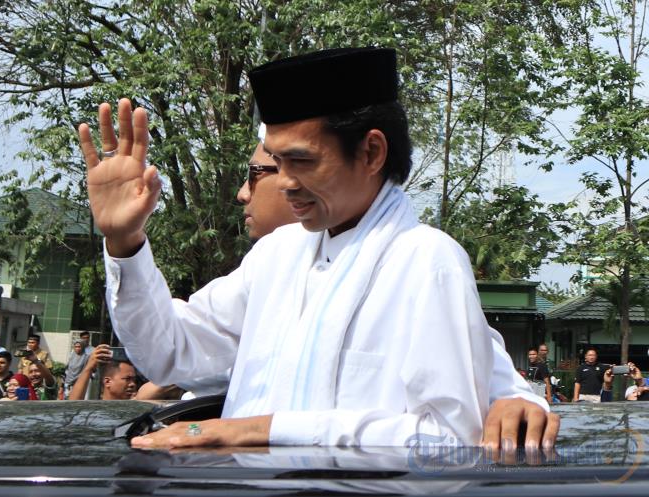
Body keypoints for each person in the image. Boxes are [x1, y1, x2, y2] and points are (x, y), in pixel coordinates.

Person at [80, 47, 557, 449]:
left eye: (301, 161)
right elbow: (171, 353)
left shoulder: (426, 260)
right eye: (277, 162)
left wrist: (254, 430)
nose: (285, 183)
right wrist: (124, 242)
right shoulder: (278, 254)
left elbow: (447, 438)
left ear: (370, 152)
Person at [68, 344, 138, 400]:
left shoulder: (138, 408)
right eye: (127, 379)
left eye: (134, 380)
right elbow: (73, 406)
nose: (133, 384)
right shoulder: (95, 411)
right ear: (107, 382)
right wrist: (89, 368)